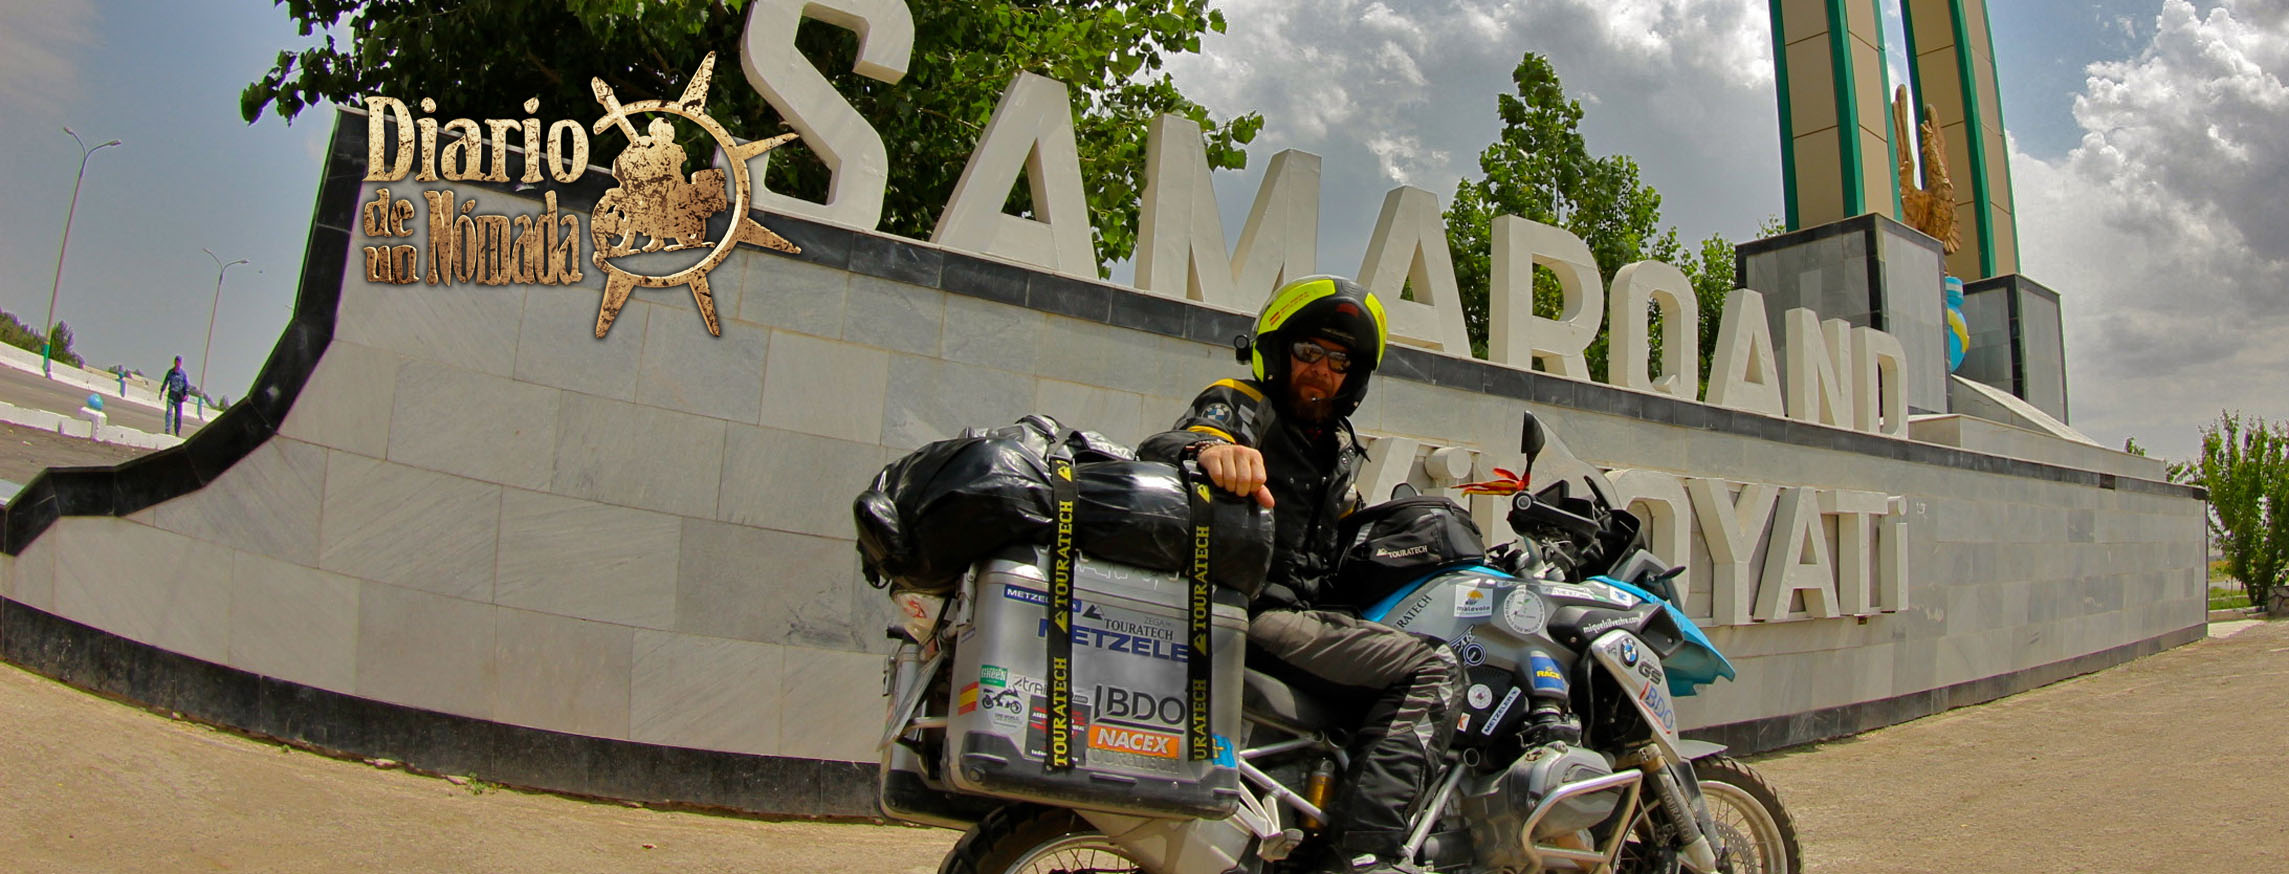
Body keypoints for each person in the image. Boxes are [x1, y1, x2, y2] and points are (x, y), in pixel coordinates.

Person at [1140, 275, 1463, 874]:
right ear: (1278, 352)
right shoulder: (1240, 401)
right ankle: (1364, 856)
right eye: (1309, 351)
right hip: (1255, 612)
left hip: (1303, 613)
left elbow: (1346, 538)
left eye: (1339, 359)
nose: (1322, 368)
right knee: (1433, 669)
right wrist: (1210, 452)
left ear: (1354, 376)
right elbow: (1177, 442)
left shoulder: (1334, 449)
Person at [161, 356, 190, 436]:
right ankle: (167, 430)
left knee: (178, 417)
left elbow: (187, 385)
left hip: (178, 397)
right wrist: (161, 391)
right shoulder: (170, 372)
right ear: (174, 362)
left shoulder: (183, 374)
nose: (178, 363)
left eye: (179, 362)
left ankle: (177, 431)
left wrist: (186, 395)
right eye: (176, 362)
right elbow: (165, 381)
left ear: (181, 363)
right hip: (171, 395)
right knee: (169, 413)